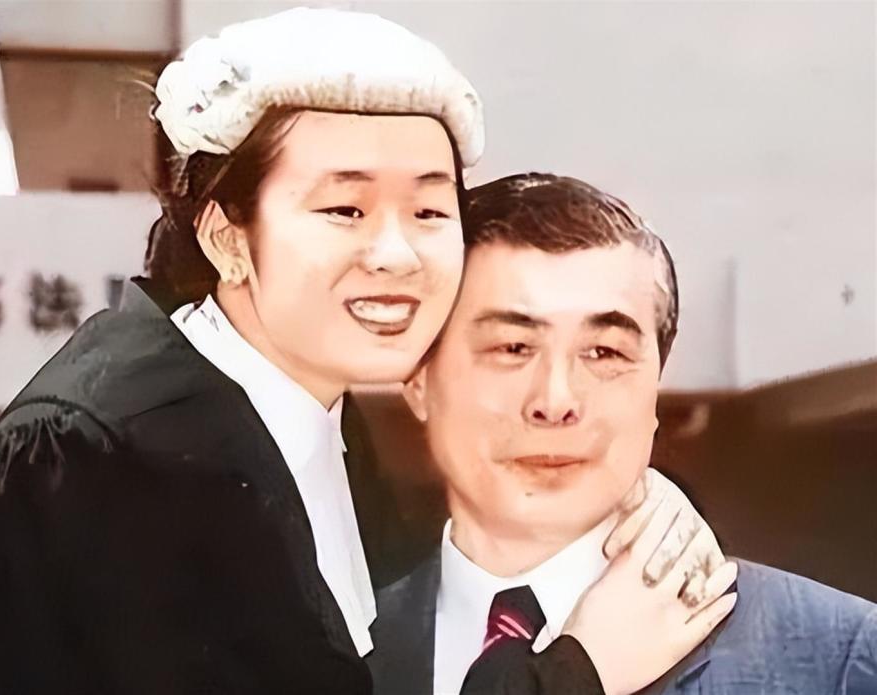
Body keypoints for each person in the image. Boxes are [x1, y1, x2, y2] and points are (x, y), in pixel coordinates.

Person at [0, 11, 730, 695]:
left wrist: (626, 505)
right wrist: (577, 671)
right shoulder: (97, 457)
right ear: (227, 237)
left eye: (428, 211)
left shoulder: (313, 419)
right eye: (345, 209)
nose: (396, 254)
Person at [368, 173, 877, 695]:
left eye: (604, 352)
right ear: (418, 378)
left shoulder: (840, 657)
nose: (555, 401)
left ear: (655, 389)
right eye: (512, 348)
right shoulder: (338, 651)